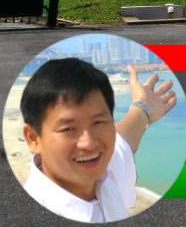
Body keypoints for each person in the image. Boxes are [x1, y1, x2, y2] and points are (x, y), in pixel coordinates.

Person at [20, 58, 177, 222]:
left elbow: (123, 140)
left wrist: (144, 107)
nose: (88, 143)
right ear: (33, 138)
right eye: (68, 129)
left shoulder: (104, 173)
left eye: (98, 122)